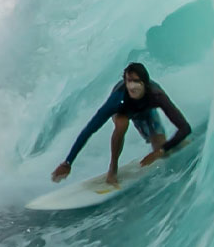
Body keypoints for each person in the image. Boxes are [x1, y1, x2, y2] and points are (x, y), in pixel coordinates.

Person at [50, 63, 192, 187]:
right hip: (123, 112)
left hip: (146, 111)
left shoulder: (156, 95)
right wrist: (68, 162)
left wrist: (160, 151)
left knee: (162, 151)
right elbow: (89, 130)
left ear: (145, 83)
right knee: (122, 125)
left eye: (136, 81)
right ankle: (113, 169)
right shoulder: (117, 99)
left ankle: (177, 145)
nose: (132, 86)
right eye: (128, 81)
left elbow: (185, 127)